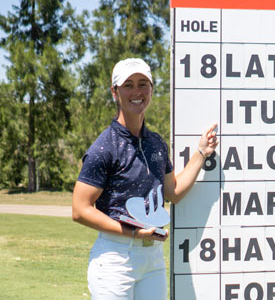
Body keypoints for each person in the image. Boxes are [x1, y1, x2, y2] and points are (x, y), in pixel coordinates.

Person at [72, 58, 218, 299]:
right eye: (128, 85)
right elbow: (80, 210)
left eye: (143, 84)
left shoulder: (156, 143)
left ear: (152, 88)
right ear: (114, 92)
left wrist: (201, 153)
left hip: (152, 258)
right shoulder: (104, 148)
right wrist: (133, 234)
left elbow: (174, 192)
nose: (137, 91)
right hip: (115, 258)